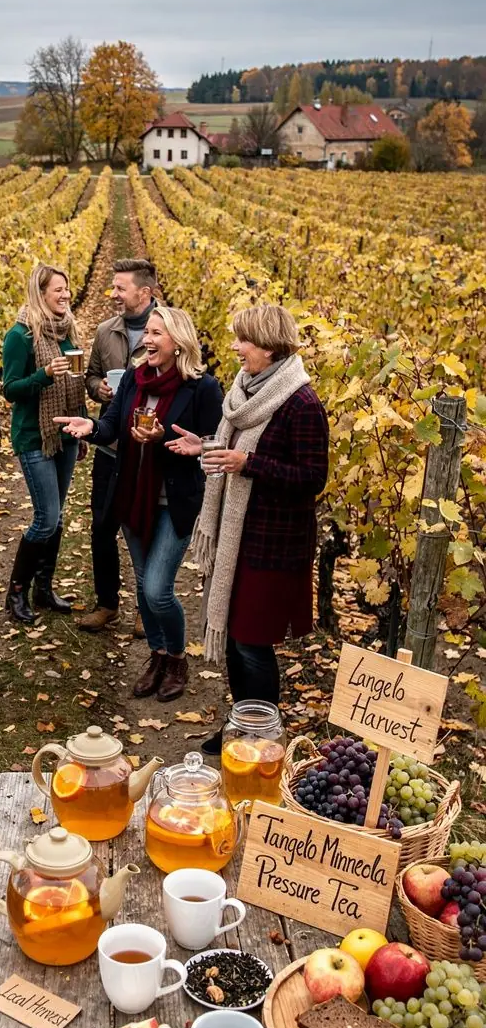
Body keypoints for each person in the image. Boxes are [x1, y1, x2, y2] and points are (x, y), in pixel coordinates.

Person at [168, 302, 329, 751]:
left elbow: (313, 478)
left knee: (251, 643)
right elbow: (236, 448)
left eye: (245, 340)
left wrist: (249, 463)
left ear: (271, 347)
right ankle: (243, 725)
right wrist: (207, 445)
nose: (236, 347)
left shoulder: (301, 403)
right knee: (239, 642)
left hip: (273, 546)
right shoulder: (244, 391)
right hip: (236, 539)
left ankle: (262, 740)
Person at [56, 305, 222, 702]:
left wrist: (168, 441)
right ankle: (158, 655)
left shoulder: (203, 389)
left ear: (178, 342)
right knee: (143, 583)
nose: (146, 340)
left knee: (157, 589)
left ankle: (178, 658)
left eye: (156, 334)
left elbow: (212, 447)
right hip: (132, 496)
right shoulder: (134, 379)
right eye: (146, 332)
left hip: (174, 501)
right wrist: (91, 427)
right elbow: (113, 424)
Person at [2, 264, 85, 625]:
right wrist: (44, 375)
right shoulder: (19, 336)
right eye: (57, 290)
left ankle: (43, 588)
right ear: (40, 293)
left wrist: (82, 427)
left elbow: (75, 383)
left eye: (67, 289)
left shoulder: (68, 329)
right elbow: (10, 390)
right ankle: (16, 592)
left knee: (58, 516)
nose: (65, 296)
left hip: (65, 433)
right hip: (35, 435)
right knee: (46, 517)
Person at [81, 258, 157, 634]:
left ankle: (147, 606)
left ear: (144, 292)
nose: (113, 294)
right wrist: (99, 389)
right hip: (111, 446)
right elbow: (91, 375)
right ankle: (107, 603)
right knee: (101, 526)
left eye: (120, 288)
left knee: (145, 527)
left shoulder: (168, 329)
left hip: (148, 448)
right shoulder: (105, 331)